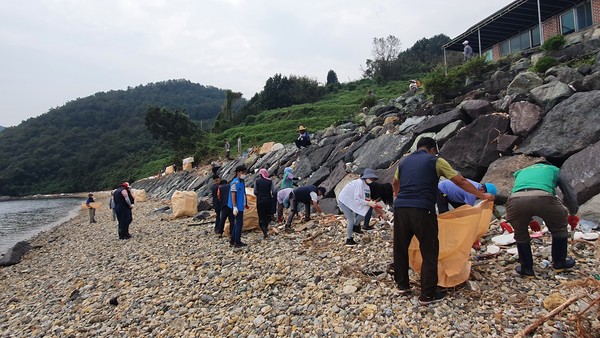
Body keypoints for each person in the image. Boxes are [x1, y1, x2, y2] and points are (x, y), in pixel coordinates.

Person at [392, 137, 494, 305]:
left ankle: (402, 286)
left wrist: (399, 195)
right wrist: (482, 196)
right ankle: (427, 294)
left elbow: (395, 183)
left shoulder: (403, 162)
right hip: (423, 209)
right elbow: (459, 180)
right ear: (432, 149)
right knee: (429, 250)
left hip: (401, 208)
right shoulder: (435, 160)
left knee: (401, 248)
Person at [506, 160, 579, 278]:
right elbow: (568, 193)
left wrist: (529, 220)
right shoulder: (553, 170)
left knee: (520, 235)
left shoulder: (522, 172)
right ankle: (559, 264)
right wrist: (572, 213)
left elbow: (523, 194)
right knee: (559, 229)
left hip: (515, 200)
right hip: (544, 198)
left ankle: (526, 269)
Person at [337, 168, 380, 246]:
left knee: (366, 208)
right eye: (370, 178)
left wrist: (371, 203)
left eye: (372, 178)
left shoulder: (367, 187)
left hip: (351, 200)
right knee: (351, 220)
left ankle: (356, 226)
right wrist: (368, 202)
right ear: (365, 177)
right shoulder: (359, 183)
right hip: (344, 201)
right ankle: (349, 239)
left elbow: (366, 200)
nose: (371, 180)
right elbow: (358, 199)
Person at [228, 165, 249, 248]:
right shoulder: (235, 183)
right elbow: (233, 195)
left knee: (237, 223)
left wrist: (245, 203)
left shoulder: (242, 181)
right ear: (238, 173)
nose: (244, 174)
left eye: (245, 172)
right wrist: (235, 207)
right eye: (242, 172)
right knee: (239, 224)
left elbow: (243, 193)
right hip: (236, 207)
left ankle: (233, 240)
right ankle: (237, 241)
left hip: (240, 205)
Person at [254, 168, 276, 239]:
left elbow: (255, 191)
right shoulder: (270, 181)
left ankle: (265, 233)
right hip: (268, 201)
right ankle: (266, 228)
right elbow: (274, 191)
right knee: (267, 216)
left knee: (261, 216)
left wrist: (259, 195)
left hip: (260, 201)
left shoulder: (257, 181)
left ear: (260, 174)